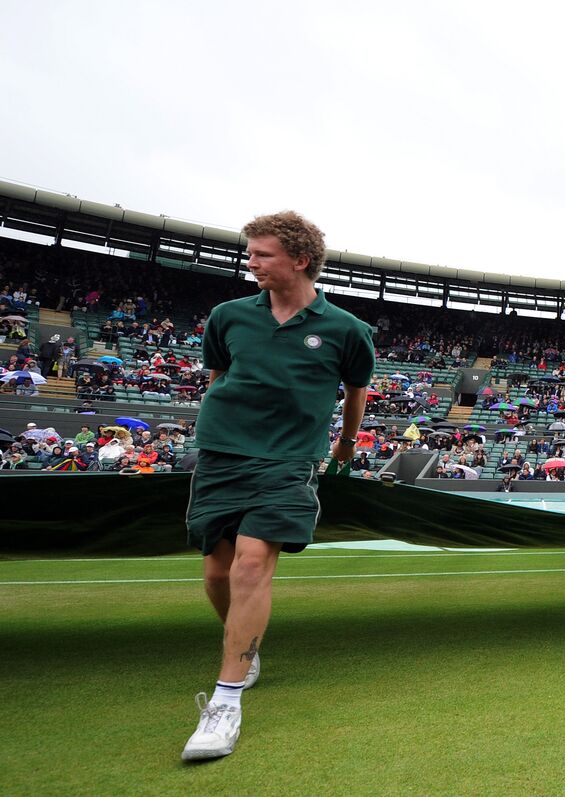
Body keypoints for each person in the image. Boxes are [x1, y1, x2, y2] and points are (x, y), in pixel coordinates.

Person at [181, 211, 375, 761]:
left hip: (290, 459)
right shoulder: (227, 316)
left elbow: (355, 393)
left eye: (262, 254)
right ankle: (246, 649)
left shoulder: (346, 329)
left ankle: (224, 703)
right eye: (251, 253)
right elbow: (219, 378)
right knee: (217, 572)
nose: (251, 262)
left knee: (249, 565)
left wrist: (344, 446)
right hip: (221, 453)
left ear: (300, 259)